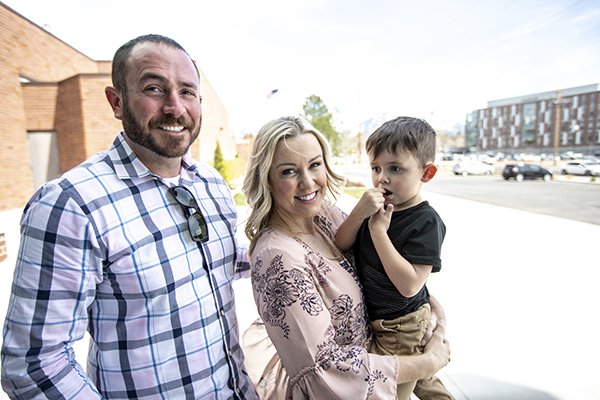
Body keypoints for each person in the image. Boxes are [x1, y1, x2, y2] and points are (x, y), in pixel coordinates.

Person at [1, 34, 258, 399]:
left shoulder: (210, 183)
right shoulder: (72, 204)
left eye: (186, 92)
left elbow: (229, 259)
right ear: (116, 101)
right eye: (154, 88)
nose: (174, 107)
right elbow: (32, 364)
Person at [240, 116, 451, 399]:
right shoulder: (277, 258)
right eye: (289, 171)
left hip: (385, 359)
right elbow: (323, 371)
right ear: (266, 178)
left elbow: (383, 269)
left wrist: (431, 309)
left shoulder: (323, 216)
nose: (307, 182)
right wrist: (430, 361)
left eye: (315, 165)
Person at [335, 116, 454, 400]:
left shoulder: (426, 221)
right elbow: (341, 243)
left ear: (427, 173)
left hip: (402, 324)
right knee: (423, 380)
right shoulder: (377, 208)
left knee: (386, 392)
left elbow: (410, 284)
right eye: (376, 168)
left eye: (395, 168)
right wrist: (359, 213)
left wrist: (379, 233)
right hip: (378, 320)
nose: (382, 178)